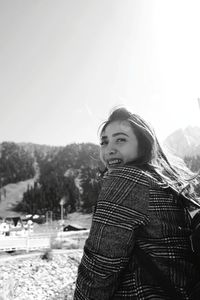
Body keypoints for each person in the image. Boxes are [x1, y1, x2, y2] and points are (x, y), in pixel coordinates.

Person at [74, 107, 200, 299]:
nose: (109, 149)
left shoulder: (126, 179)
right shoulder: (164, 182)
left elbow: (99, 269)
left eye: (121, 139)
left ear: (143, 145)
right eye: (104, 142)